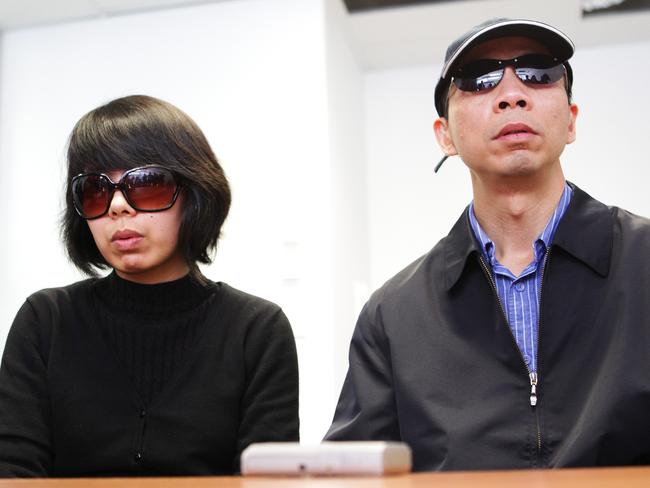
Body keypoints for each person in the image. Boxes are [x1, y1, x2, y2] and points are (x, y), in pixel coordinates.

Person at [326, 18, 650, 470]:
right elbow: (354, 471)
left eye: (538, 73)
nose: (512, 94)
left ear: (571, 121)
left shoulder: (644, 262)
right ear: (445, 136)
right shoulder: (393, 315)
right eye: (480, 81)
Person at [0, 95, 299, 477]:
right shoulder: (46, 322)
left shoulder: (256, 329)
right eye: (95, 190)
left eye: (146, 184)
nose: (118, 206)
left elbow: (268, 481)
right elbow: (14, 471)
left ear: (193, 194)